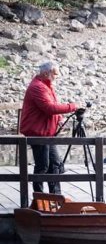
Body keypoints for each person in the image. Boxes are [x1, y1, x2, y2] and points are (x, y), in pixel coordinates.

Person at [20, 61, 79, 194]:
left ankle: (56, 196)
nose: (57, 76)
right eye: (55, 74)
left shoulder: (46, 86)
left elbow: (52, 105)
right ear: (47, 73)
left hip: (46, 133)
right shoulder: (38, 87)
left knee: (55, 164)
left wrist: (59, 119)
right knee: (43, 166)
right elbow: (49, 108)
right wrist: (73, 106)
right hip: (38, 133)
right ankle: (39, 197)